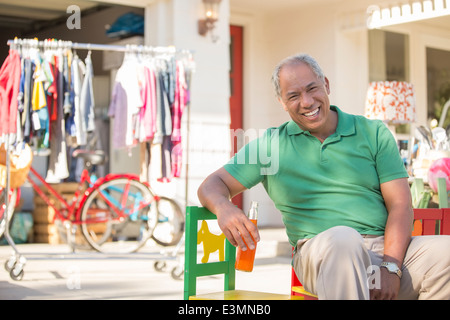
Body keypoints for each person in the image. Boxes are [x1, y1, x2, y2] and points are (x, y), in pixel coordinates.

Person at [197, 53, 450, 300]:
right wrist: (224, 208)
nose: (306, 102)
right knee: (344, 240)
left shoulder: (373, 133)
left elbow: (400, 204)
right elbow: (211, 184)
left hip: (384, 254)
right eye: (293, 96)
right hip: (321, 254)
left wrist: (391, 267)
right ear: (282, 102)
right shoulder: (269, 146)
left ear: (326, 85)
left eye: (312, 89)